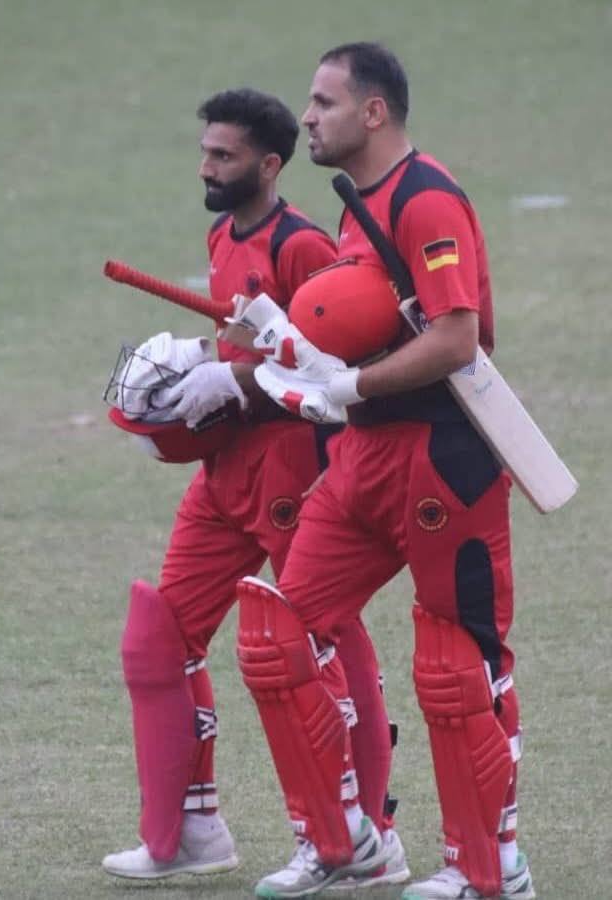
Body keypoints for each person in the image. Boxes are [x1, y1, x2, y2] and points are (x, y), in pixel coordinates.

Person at [235, 44, 536, 899]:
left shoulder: (424, 197)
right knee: (280, 633)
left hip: (442, 459)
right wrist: (289, 347)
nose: (308, 117)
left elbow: (459, 338)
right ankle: (345, 843)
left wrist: (351, 382)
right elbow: (363, 323)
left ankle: (491, 867)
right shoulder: (352, 204)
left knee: (455, 665)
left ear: (373, 113)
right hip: (363, 455)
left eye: (324, 102)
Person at [102, 87, 408, 888]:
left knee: (322, 642)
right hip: (225, 471)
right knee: (162, 639)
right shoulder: (221, 232)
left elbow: (329, 366)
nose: (207, 166)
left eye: (224, 156)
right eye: (205, 152)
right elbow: (243, 341)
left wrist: (235, 382)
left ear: (269, 166)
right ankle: (190, 829)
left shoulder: (304, 245)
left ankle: (372, 835)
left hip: (291, 470)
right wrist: (196, 376)